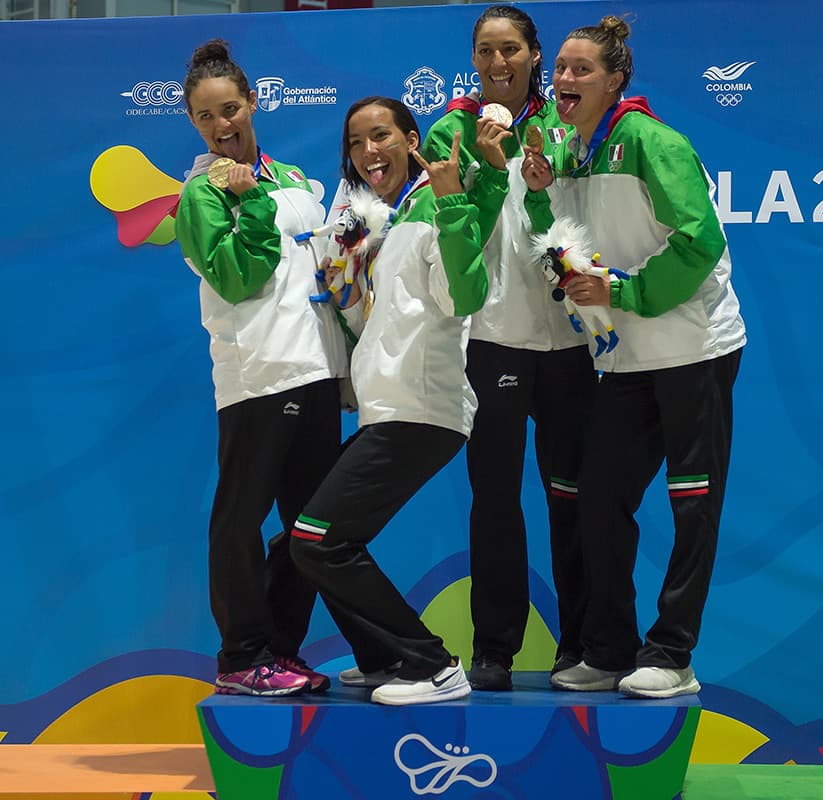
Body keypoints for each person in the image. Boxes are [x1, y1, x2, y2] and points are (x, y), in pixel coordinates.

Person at [521, 16, 746, 698]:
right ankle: (611, 650)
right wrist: (535, 193)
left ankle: (672, 655)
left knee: (691, 505)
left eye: (580, 69)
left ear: (615, 80)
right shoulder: (571, 151)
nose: (564, 79)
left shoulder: (652, 141)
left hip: (691, 350)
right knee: (598, 501)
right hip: (623, 358)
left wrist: (623, 289)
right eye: (559, 67)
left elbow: (699, 240)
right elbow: (560, 243)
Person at [288, 97, 509, 706]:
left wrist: (453, 200)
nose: (368, 153)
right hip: (388, 405)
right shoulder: (392, 218)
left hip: (423, 407)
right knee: (305, 541)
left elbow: (465, 296)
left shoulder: (440, 204)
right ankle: (384, 656)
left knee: (318, 540)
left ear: (412, 140)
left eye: (380, 136)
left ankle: (433, 666)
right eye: (356, 144)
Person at [422, 3, 596, 692]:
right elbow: (450, 228)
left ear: (533, 56)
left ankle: (581, 644)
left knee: (573, 497)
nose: (499, 64)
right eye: (487, 51)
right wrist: (486, 166)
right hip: (491, 339)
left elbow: (583, 216)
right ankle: (494, 647)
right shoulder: (450, 130)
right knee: (493, 499)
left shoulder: (568, 123)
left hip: (570, 343)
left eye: (512, 51)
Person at [175, 39, 347, 697]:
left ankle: (279, 647)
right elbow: (238, 278)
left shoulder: (299, 182)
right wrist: (244, 204)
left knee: (312, 528)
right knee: (240, 518)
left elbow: (332, 275)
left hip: (316, 371)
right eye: (206, 117)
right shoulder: (201, 193)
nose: (222, 126)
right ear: (195, 123)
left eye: (230, 109)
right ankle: (242, 655)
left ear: (253, 102)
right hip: (257, 378)